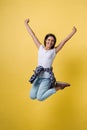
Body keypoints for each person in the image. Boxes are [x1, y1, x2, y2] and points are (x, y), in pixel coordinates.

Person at [24, 18, 77, 101]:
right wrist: (26, 24)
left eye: (52, 41)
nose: (50, 42)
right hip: (38, 76)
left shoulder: (54, 51)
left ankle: (57, 87)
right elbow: (33, 36)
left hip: (47, 78)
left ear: (54, 43)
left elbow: (64, 41)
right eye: (48, 40)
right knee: (32, 96)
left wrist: (73, 32)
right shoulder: (40, 48)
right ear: (45, 40)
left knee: (40, 98)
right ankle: (56, 84)